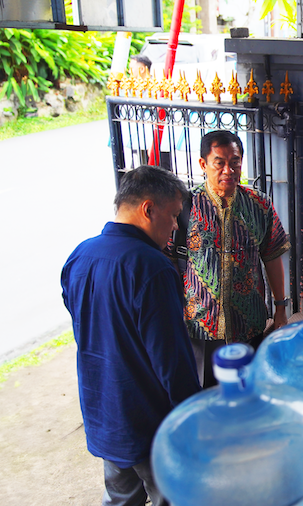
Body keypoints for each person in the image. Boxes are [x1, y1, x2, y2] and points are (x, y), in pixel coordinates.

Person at [61, 166, 201, 506]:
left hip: (104, 411)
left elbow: (84, 325)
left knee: (121, 498)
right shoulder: (151, 267)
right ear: (148, 209)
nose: (174, 229)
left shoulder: (79, 256)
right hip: (149, 422)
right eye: (172, 217)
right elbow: (172, 360)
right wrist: (193, 421)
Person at [170, 130, 291, 388]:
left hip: (249, 324)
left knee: (251, 392)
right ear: (203, 164)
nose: (229, 170)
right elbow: (168, 259)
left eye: (235, 162)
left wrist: (281, 308)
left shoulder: (259, 205)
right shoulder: (184, 206)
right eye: (220, 162)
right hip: (200, 326)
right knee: (206, 397)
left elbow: (271, 256)